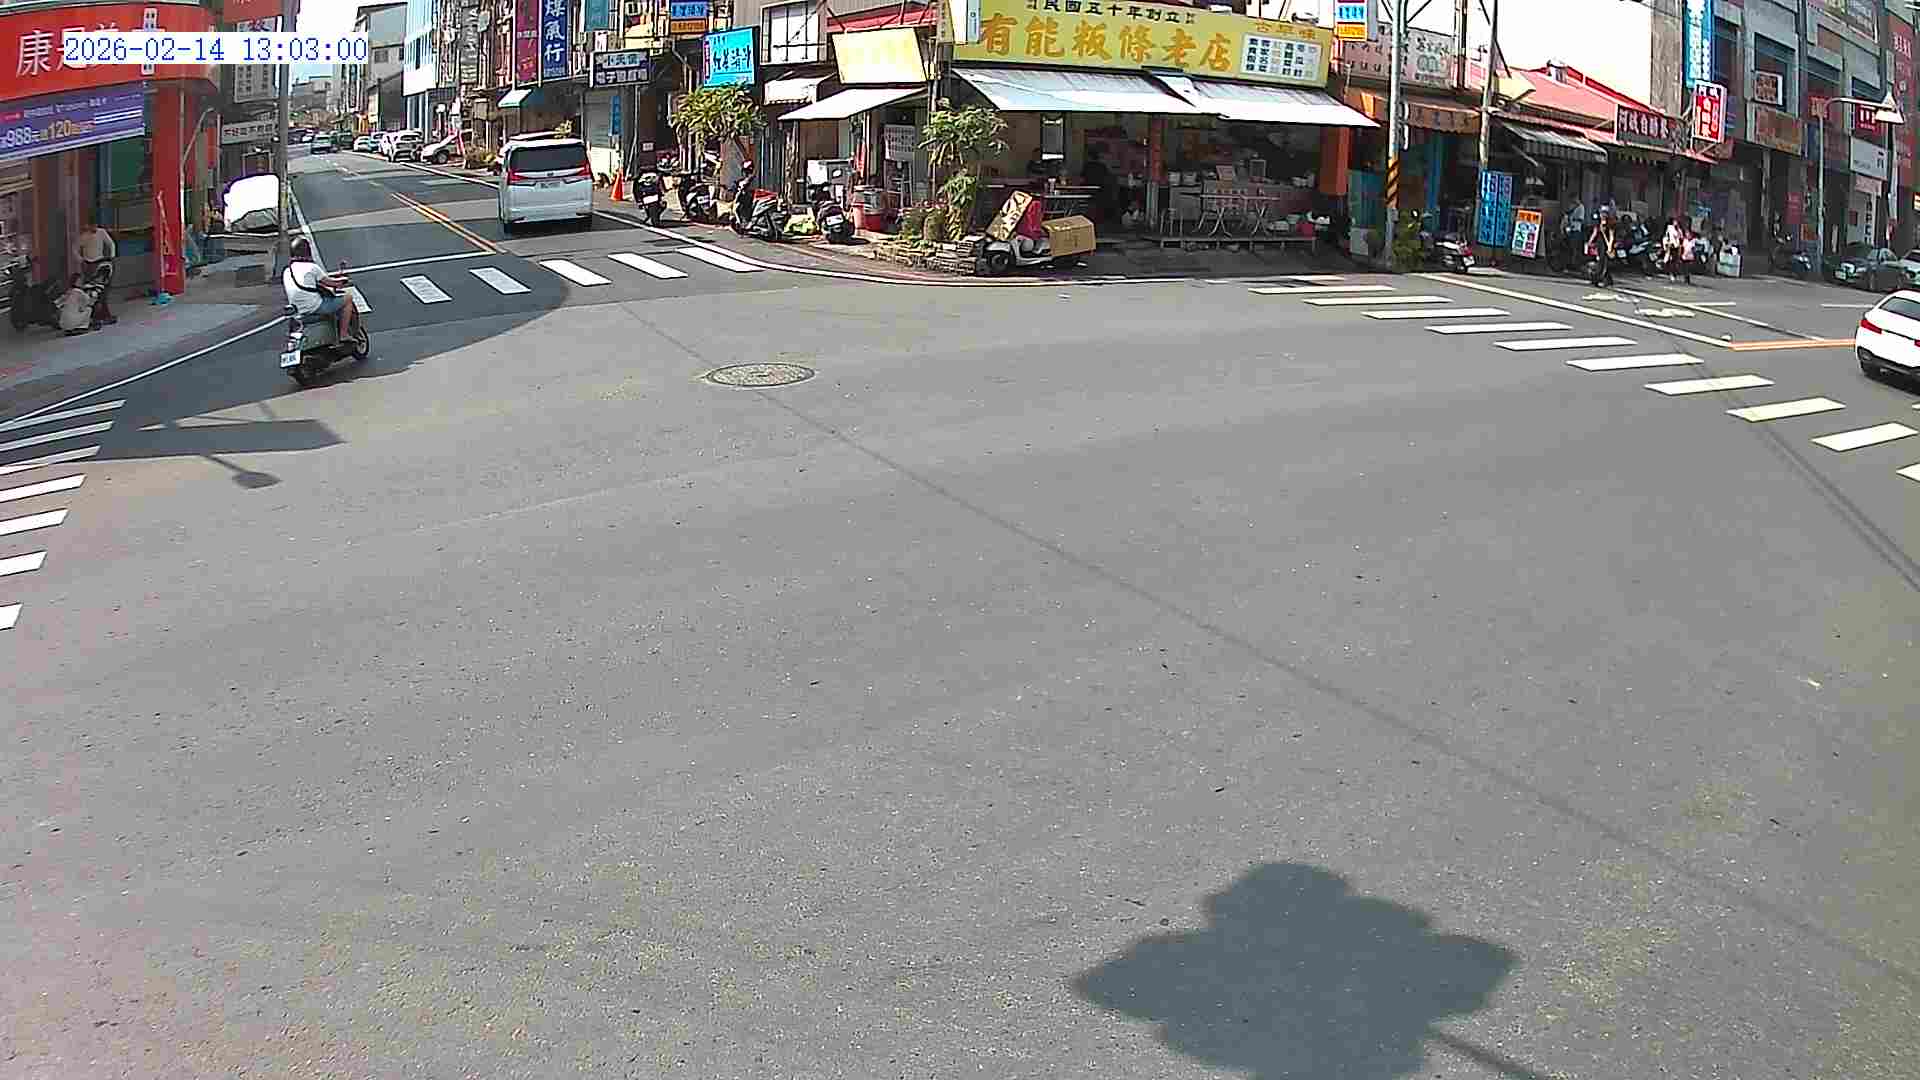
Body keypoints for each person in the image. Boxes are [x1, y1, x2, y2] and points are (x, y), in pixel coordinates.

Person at [281, 237, 356, 344]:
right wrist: (343, 280)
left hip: (298, 310)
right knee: (348, 298)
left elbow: (308, 284)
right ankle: (343, 335)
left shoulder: (287, 271)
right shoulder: (312, 267)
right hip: (315, 307)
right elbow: (332, 283)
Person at [71, 213, 116, 325]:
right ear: (88, 225)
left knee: (102, 290)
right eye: (91, 226)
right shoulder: (83, 236)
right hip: (88, 265)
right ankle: (94, 315)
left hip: (101, 263)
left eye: (95, 225)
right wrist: (80, 260)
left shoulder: (101, 232)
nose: (93, 228)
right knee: (90, 291)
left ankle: (105, 314)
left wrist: (112, 256)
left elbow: (111, 244)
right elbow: (74, 249)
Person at [1588, 212, 1618, 287]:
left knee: (1603, 263)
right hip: (1600, 245)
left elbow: (1611, 237)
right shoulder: (1598, 225)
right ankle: (1605, 280)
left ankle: (1598, 279)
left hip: (1606, 245)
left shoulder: (1609, 226)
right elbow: (1594, 233)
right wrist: (1590, 242)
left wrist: (1610, 246)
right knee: (1601, 262)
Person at [1662, 217, 1684, 281]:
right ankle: (1671, 273)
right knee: (1671, 260)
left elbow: (1681, 236)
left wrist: (1679, 230)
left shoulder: (1678, 229)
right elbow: (1670, 235)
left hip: (1677, 246)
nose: (1676, 223)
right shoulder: (1670, 228)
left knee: (1675, 260)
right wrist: (1666, 244)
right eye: (1675, 221)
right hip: (1671, 245)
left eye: (1677, 221)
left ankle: (1673, 273)